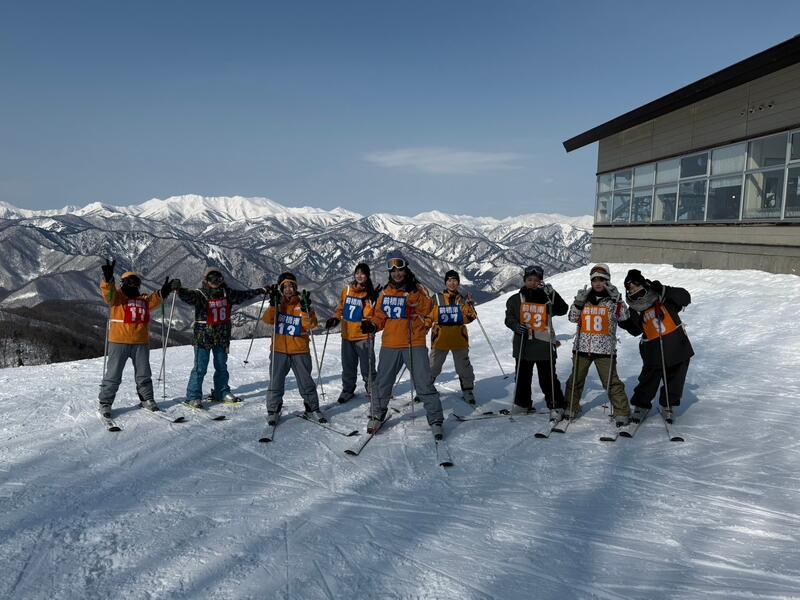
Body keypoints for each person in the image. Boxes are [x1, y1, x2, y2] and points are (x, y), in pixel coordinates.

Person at [360, 251, 445, 440]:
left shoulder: (417, 289)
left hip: (413, 342)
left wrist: (414, 297)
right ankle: (377, 414)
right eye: (393, 270)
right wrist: (371, 324)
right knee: (383, 382)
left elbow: (428, 308)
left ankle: (436, 418)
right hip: (390, 343)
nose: (397, 273)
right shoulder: (385, 293)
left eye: (400, 269)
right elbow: (380, 316)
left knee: (423, 382)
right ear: (389, 273)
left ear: (406, 270)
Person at [97, 259, 179, 417]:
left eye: (136, 282)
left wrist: (165, 290)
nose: (133, 285)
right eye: (130, 282)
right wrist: (108, 280)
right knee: (113, 375)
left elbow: (155, 299)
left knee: (143, 373)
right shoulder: (118, 298)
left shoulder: (143, 300)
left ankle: (147, 399)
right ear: (123, 283)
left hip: (140, 342)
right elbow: (108, 294)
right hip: (119, 341)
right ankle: (105, 403)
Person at [177, 267, 267, 408]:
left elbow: (244, 295)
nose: (215, 281)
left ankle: (221, 391)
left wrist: (260, 290)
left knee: (221, 366)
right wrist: (179, 290)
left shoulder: (227, 293)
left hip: (221, 336)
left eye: (218, 278)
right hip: (203, 336)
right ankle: (193, 396)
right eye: (211, 278)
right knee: (200, 367)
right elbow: (188, 297)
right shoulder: (200, 294)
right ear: (206, 280)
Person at [619, 269, 694, 423]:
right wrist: (623, 321)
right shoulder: (634, 308)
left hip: (676, 344)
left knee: (676, 378)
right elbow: (635, 330)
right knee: (649, 379)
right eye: (630, 288)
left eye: (635, 285)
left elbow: (685, 298)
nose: (633, 290)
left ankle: (668, 405)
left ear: (643, 283)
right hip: (652, 349)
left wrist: (665, 289)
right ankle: (641, 405)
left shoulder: (661, 296)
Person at [563, 264, 631, 426]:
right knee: (575, 380)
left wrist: (618, 300)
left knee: (611, 381)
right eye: (595, 280)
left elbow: (624, 317)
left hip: (605, 349)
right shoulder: (584, 299)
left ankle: (621, 411)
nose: (598, 283)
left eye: (602, 280)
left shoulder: (612, 301)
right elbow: (572, 318)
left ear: (608, 281)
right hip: (582, 347)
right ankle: (570, 407)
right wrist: (578, 303)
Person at [504, 265, 568, 419]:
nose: (532, 283)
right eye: (529, 280)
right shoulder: (515, 300)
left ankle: (556, 404)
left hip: (543, 343)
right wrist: (516, 326)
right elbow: (509, 318)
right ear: (524, 280)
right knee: (522, 377)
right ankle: (522, 403)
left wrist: (552, 293)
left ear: (541, 281)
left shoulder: (547, 299)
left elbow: (562, 309)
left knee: (547, 378)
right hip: (523, 344)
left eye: (536, 280)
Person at [261, 272, 325, 425]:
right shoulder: (278, 302)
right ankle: (273, 410)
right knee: (276, 382)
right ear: (281, 288)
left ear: (296, 287)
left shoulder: (302, 302)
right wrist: (272, 305)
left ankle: (312, 408)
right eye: (285, 286)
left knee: (306, 382)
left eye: (291, 286)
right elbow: (268, 320)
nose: (288, 289)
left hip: (300, 349)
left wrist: (305, 309)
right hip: (279, 350)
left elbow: (310, 325)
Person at [325, 263, 379, 404]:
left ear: (367, 276)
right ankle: (348, 390)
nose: (359, 276)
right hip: (347, 335)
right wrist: (335, 318)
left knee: (367, 366)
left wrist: (370, 319)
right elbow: (341, 308)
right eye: (357, 273)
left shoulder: (371, 294)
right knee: (348, 365)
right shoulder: (347, 290)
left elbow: (374, 315)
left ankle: (372, 388)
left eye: (363, 273)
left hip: (363, 336)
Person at [428, 270, 478, 405]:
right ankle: (425, 389)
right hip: (440, 338)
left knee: (463, 367)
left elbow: (470, 318)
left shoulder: (462, 299)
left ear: (458, 282)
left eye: (455, 280)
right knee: (433, 367)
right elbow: (428, 316)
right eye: (449, 280)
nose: (452, 283)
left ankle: (467, 390)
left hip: (458, 338)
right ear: (445, 282)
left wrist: (470, 306)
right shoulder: (436, 298)